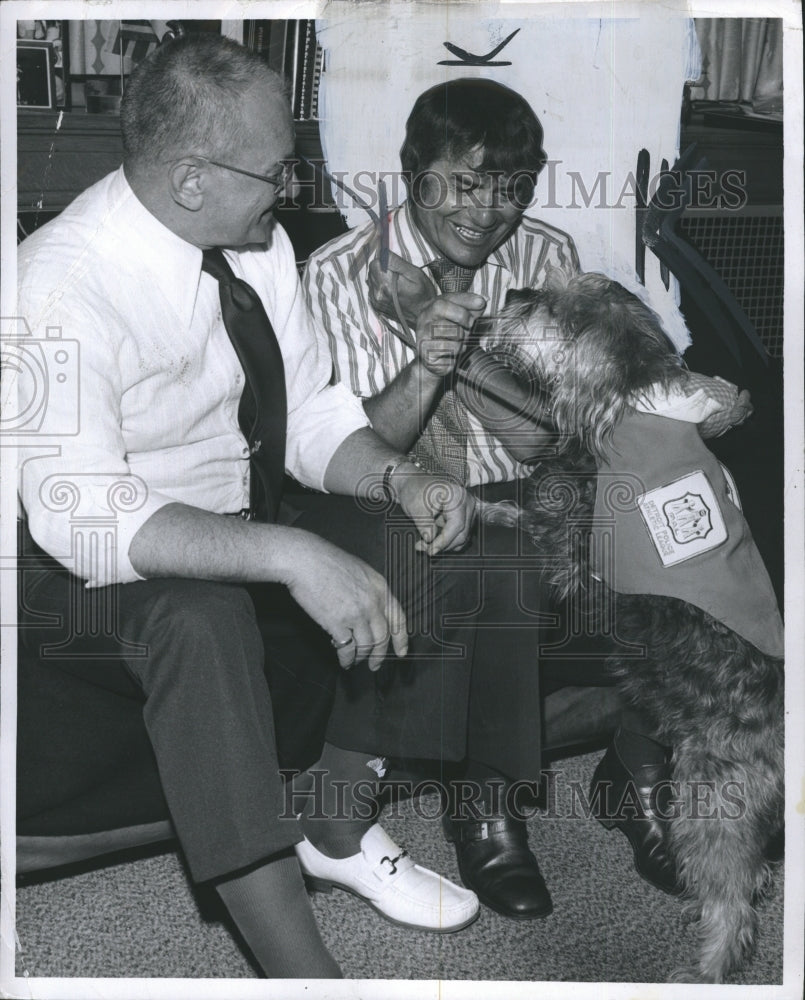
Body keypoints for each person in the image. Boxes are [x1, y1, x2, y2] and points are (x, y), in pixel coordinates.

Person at [13, 35, 557, 978]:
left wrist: (403, 478)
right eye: (277, 168)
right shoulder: (57, 283)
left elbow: (309, 415)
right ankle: (301, 972)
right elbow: (82, 516)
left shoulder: (251, 246)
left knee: (448, 534)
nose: (293, 185)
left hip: (237, 519)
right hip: (82, 567)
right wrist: (289, 555)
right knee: (202, 615)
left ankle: (335, 828)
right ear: (191, 178)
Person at [303, 77, 752, 905]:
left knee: (697, 530)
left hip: (544, 480)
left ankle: (639, 763)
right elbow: (359, 445)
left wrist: (458, 340)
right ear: (413, 175)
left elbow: (552, 435)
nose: (487, 211)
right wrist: (424, 357)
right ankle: (486, 804)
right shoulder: (336, 274)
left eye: (511, 188)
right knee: (502, 557)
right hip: (403, 495)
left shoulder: (546, 258)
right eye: (464, 183)